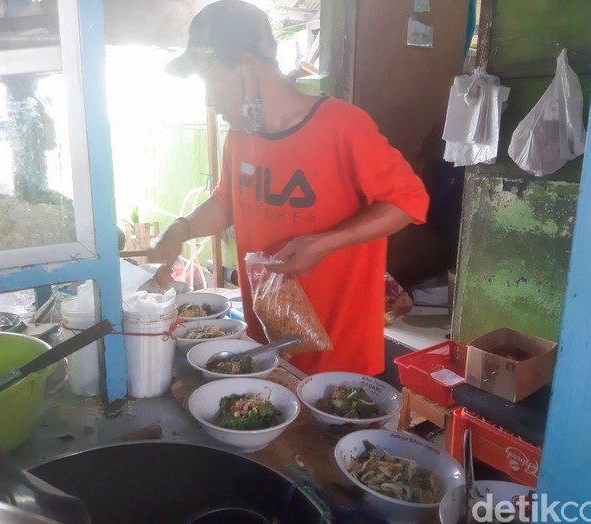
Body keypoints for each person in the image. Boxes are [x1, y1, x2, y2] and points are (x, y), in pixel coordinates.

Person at [149, 0, 429, 377]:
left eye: (213, 82)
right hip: (268, 338)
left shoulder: (343, 126)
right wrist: (181, 228)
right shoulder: (239, 138)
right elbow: (227, 201)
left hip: (337, 349)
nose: (211, 102)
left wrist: (324, 242)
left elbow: (409, 200)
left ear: (249, 68)